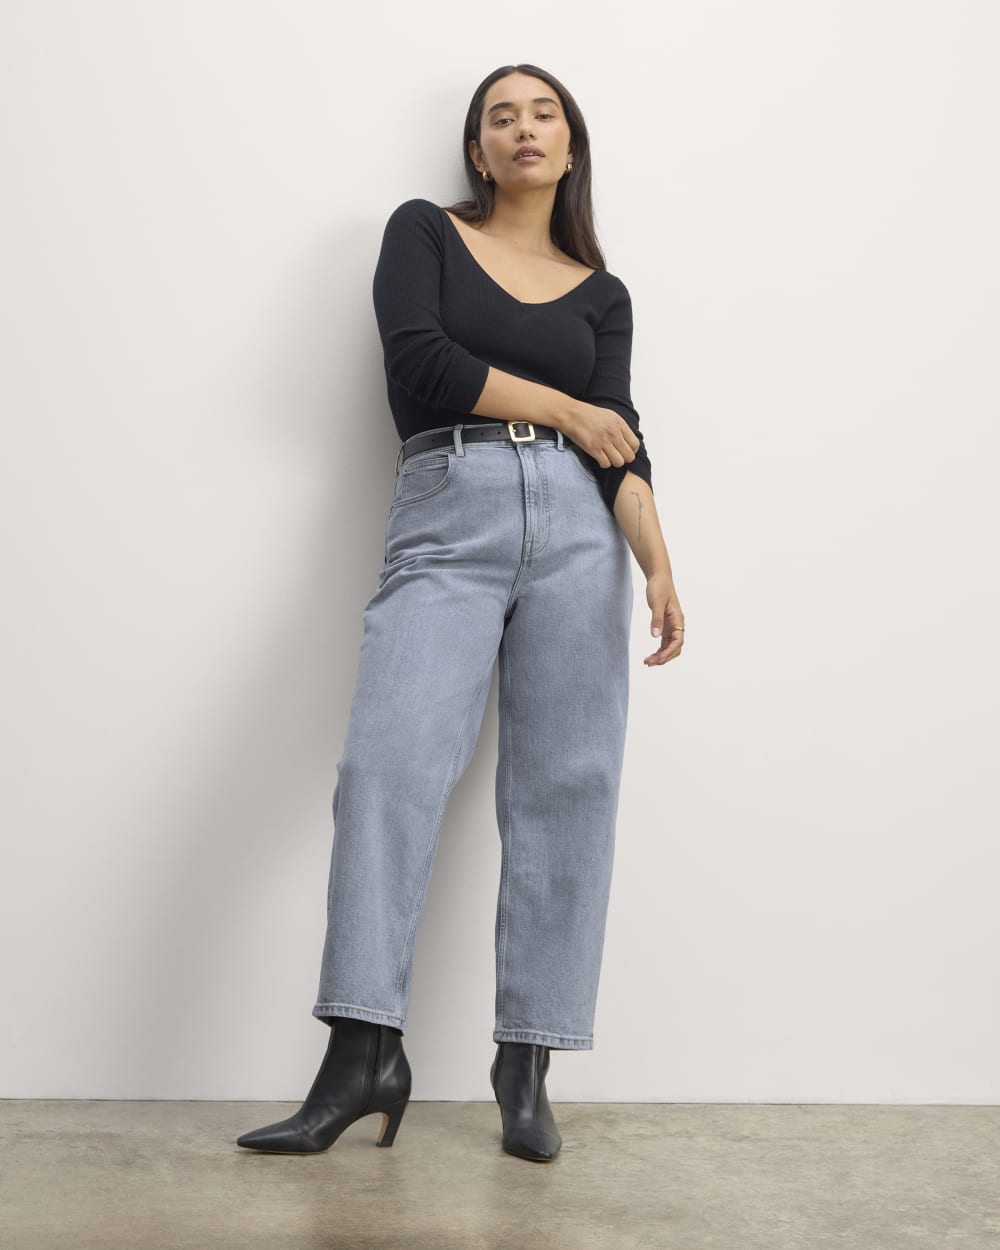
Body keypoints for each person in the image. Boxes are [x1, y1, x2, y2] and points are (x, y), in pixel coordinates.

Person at [237, 63, 685, 1164]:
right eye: (500, 116)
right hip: (452, 503)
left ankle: (525, 1064)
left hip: (582, 534)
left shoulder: (601, 292)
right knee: (385, 766)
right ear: (478, 150)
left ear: (570, 147)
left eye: (544, 113)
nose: (523, 127)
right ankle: (363, 1053)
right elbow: (423, 364)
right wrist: (565, 409)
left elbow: (620, 437)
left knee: (568, 787)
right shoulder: (425, 232)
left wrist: (660, 565)